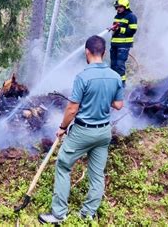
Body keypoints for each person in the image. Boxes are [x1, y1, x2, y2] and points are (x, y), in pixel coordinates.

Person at [38, 35, 124, 224]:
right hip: (103, 132)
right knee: (97, 173)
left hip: (82, 132)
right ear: (104, 52)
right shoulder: (115, 76)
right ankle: (88, 214)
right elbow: (118, 104)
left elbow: (72, 109)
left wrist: (62, 128)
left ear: (87, 52)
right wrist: (102, 97)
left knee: (63, 165)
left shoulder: (83, 77)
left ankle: (58, 214)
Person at [109, 0, 138, 86]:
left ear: (126, 6)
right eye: (117, 7)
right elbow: (116, 29)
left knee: (119, 65)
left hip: (124, 45)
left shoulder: (131, 17)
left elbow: (132, 31)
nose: (118, 9)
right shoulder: (117, 16)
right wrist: (113, 29)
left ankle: (121, 85)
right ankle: (113, 84)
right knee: (113, 65)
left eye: (120, 7)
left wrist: (119, 29)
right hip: (114, 44)